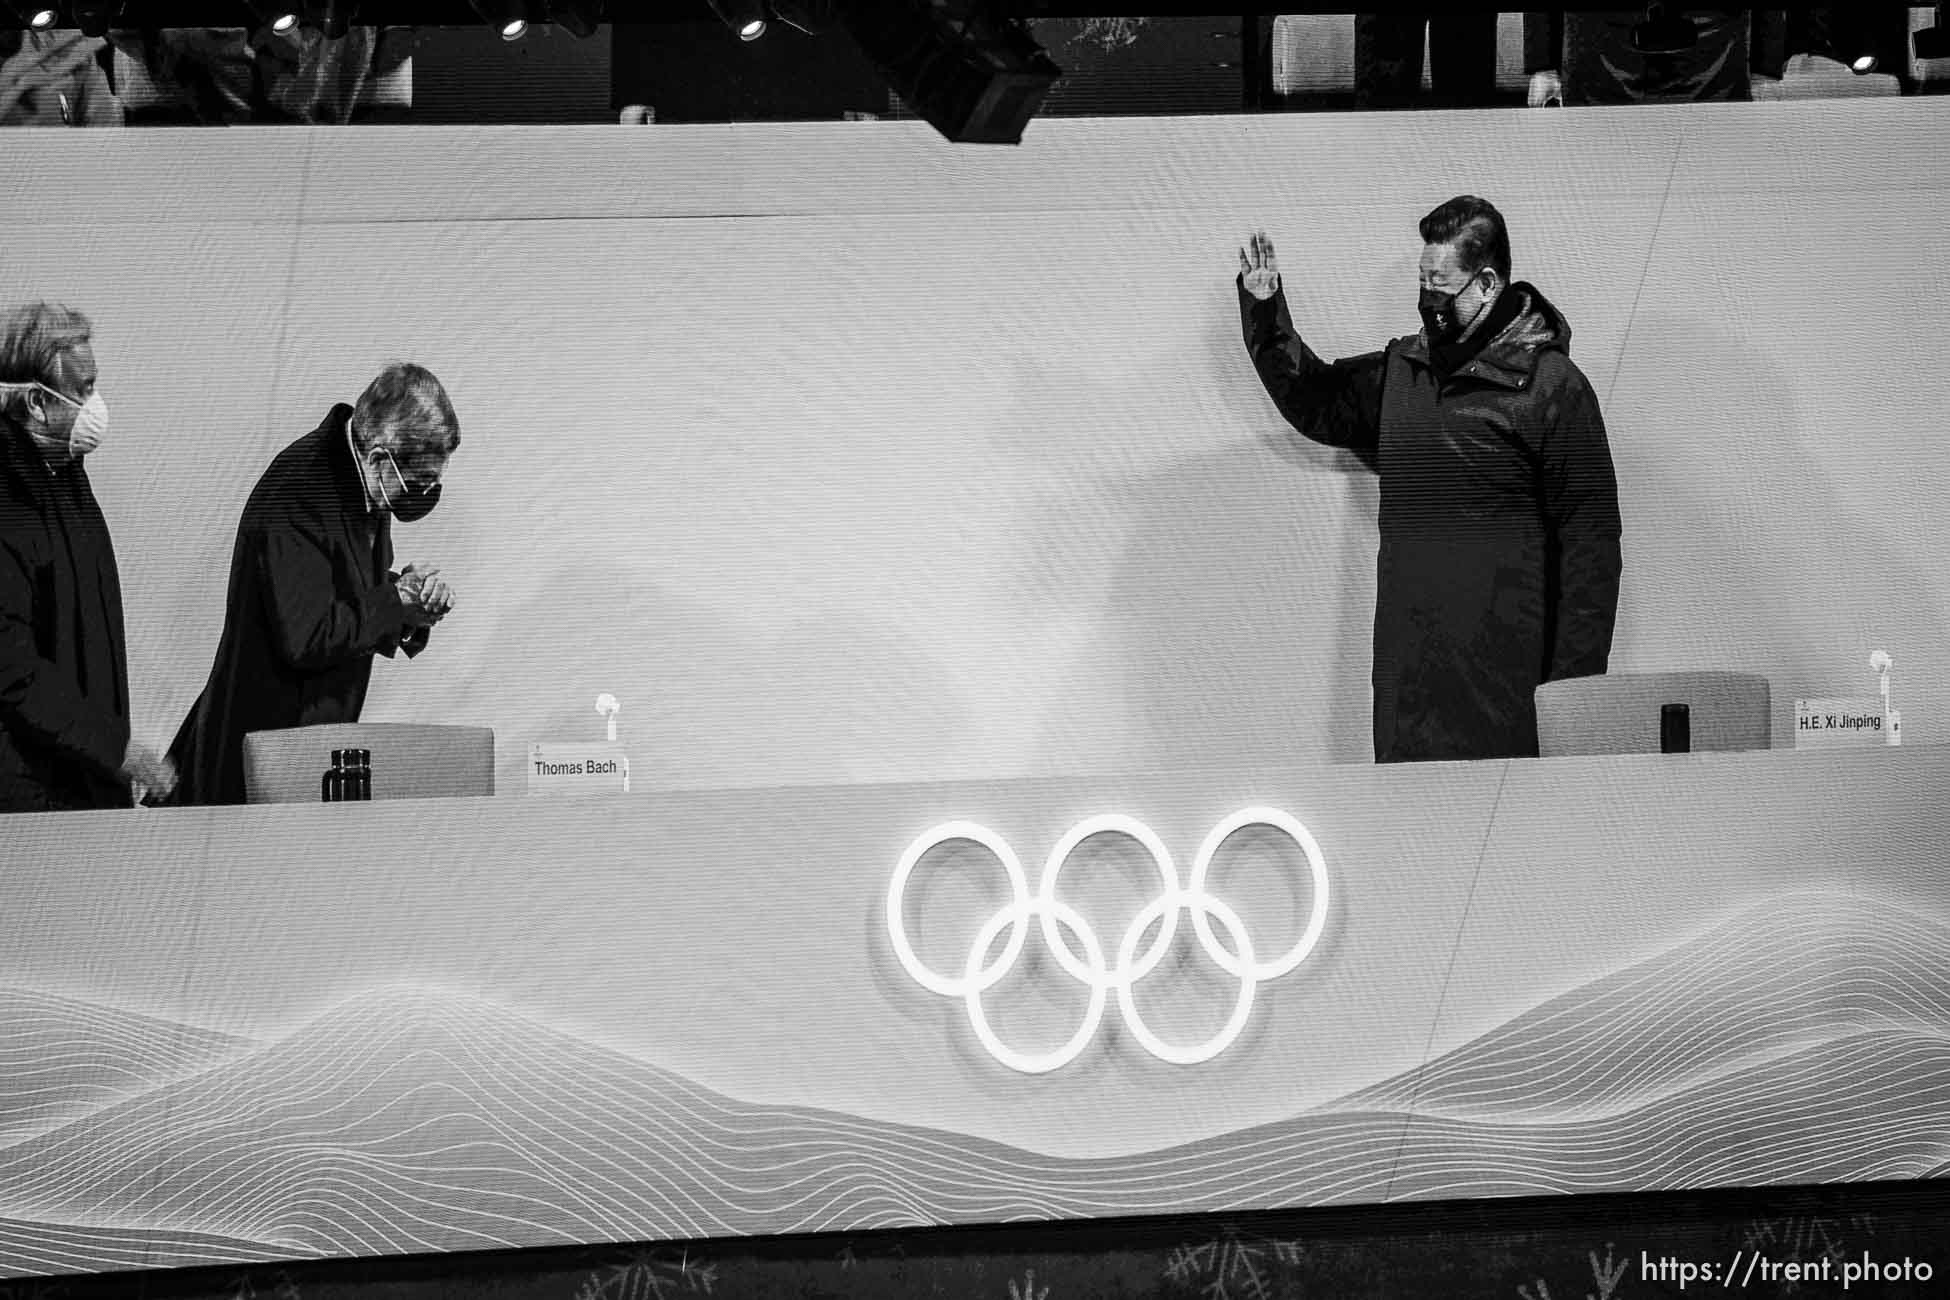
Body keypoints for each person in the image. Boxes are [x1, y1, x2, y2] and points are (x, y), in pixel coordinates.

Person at [1236, 197, 1622, 763]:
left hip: (1514, 689)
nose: (1427, 298)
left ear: (1487, 282)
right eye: (1422, 279)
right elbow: (1314, 399)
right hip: (1409, 683)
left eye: (1440, 283)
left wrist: (1572, 696)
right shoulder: (1401, 372)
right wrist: (1267, 315)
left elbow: (1590, 550)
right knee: (1409, 841)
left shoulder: (1553, 387)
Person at [166, 362, 457, 806]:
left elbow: (343, 592)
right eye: (418, 483)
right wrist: (392, 600)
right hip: (263, 758)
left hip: (306, 747)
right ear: (379, 457)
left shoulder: (361, 481)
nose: (426, 495)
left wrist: (408, 603)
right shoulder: (300, 489)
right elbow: (306, 634)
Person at [0, 302, 173, 812]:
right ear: (35, 402)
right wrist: (118, 751)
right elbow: (12, 668)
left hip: (81, 765)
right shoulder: (7, 497)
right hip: (26, 791)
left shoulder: (63, 468)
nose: (95, 404)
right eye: (83, 389)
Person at [1523, 8, 1787, 106]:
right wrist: (1543, 66)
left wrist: (1765, 64)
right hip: (1599, 54)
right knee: (1598, 177)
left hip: (1714, 54)